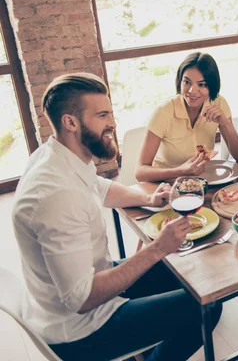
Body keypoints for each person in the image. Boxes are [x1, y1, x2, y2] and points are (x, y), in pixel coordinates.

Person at [12, 73, 221, 361]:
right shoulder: (55, 196)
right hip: (80, 330)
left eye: (110, 112)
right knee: (208, 306)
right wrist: (158, 248)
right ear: (70, 122)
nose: (112, 122)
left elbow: (100, 187)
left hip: (84, 288)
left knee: (187, 271)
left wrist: (149, 198)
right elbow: (82, 299)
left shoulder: (57, 156)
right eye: (102, 115)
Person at [135, 52, 238, 183]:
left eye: (202, 84)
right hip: (165, 186)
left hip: (203, 183)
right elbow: (140, 172)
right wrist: (181, 171)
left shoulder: (219, 103)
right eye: (187, 82)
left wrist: (225, 124)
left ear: (212, 86)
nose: (192, 91)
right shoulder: (163, 112)